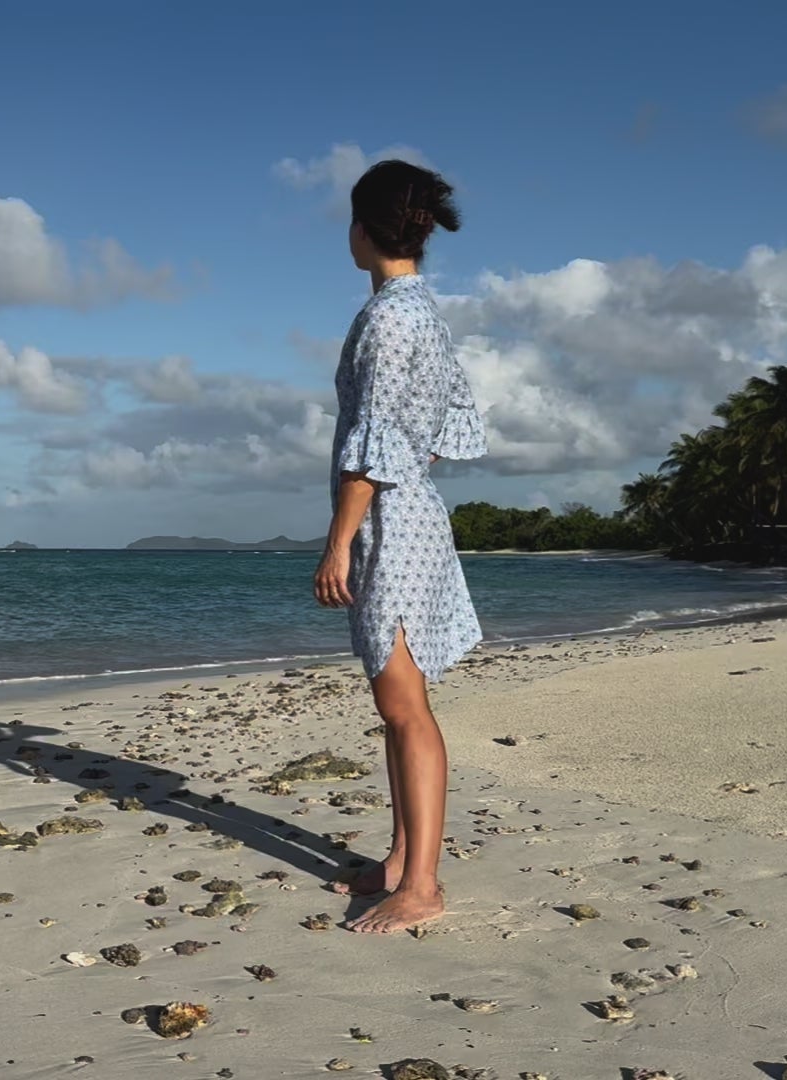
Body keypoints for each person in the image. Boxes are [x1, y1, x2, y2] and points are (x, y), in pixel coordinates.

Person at [314, 159, 487, 933]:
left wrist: (339, 543)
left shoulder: (390, 321)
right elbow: (444, 431)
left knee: (403, 705)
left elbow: (370, 446)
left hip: (393, 522)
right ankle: (400, 859)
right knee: (398, 704)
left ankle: (422, 884)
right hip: (411, 511)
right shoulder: (420, 313)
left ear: (364, 229)